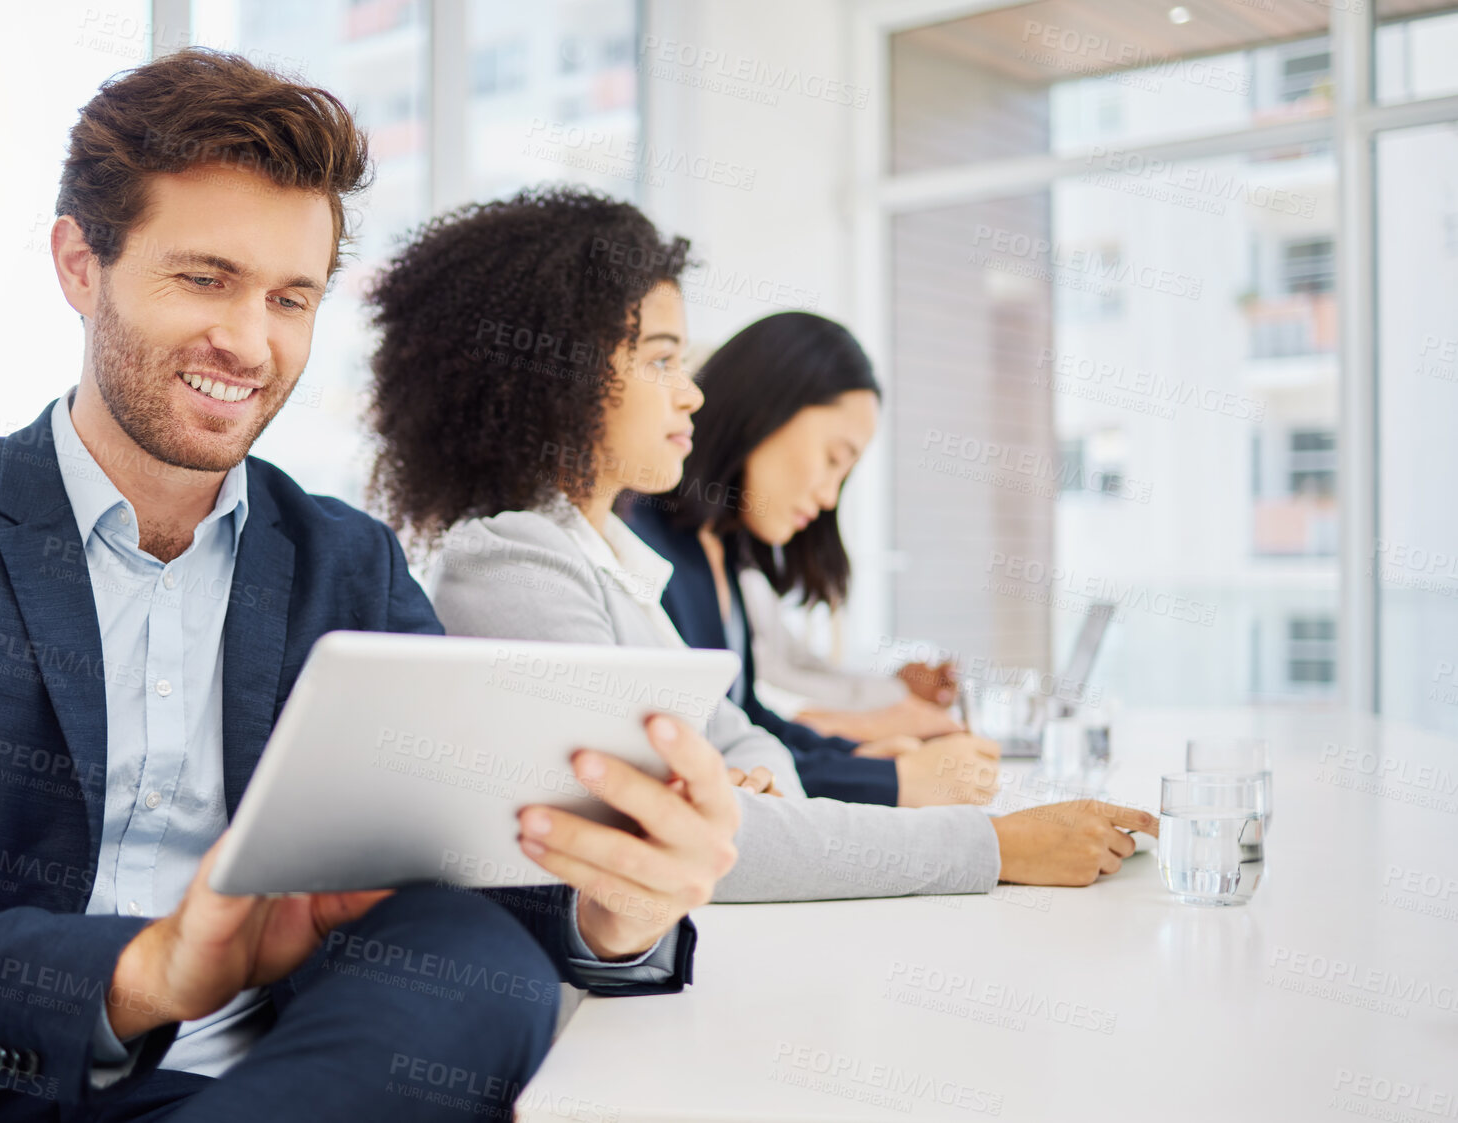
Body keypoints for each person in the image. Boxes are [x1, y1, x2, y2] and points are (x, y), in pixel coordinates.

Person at [0, 51, 739, 1123]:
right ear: (80, 263)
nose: (249, 342)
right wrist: (149, 972)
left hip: (266, 1085)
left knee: (465, 946)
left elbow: (474, 870)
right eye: (204, 278)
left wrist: (615, 906)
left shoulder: (346, 561)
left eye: (289, 298)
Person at [364, 185, 1156, 907]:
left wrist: (752, 787)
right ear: (553, 380)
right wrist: (992, 844)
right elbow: (666, 845)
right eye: (661, 359)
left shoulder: (612, 560)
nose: (691, 391)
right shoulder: (513, 563)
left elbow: (740, 737)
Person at [620, 311, 996, 807]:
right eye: (833, 459)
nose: (828, 498)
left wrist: (857, 756)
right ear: (765, 409)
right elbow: (703, 759)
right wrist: (891, 780)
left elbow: (744, 719)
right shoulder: (641, 543)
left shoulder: (718, 548)